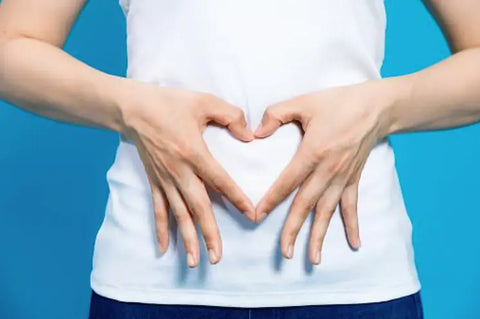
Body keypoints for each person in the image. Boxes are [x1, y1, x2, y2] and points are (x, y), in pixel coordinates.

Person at [0, 0, 479, 318]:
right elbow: (11, 43)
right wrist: (130, 108)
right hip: (155, 281)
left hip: (356, 283)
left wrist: (383, 107)